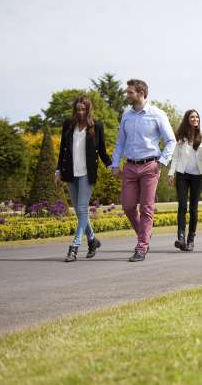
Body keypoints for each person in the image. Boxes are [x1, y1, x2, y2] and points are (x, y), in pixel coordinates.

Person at [111, 79, 176, 262]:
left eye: (130, 92)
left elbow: (171, 140)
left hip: (150, 166)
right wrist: (115, 164)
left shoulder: (157, 114)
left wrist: (161, 162)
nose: (127, 95)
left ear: (141, 93)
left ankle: (141, 247)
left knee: (146, 207)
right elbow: (120, 143)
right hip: (130, 166)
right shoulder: (126, 115)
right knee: (128, 206)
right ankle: (145, 233)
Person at [56, 94, 112, 262]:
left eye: (83, 109)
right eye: (78, 109)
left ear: (88, 110)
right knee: (79, 211)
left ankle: (74, 247)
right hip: (70, 173)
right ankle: (92, 240)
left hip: (87, 174)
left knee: (81, 209)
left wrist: (111, 166)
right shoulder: (68, 125)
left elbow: (102, 151)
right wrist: (58, 170)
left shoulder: (97, 126)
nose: (80, 112)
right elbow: (62, 149)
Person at [167, 109, 202, 252]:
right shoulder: (181, 137)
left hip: (197, 176)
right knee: (182, 206)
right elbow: (175, 157)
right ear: (187, 119)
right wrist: (171, 173)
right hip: (182, 174)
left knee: (193, 209)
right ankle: (181, 237)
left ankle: (191, 240)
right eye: (192, 117)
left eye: (197, 117)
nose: (195, 119)